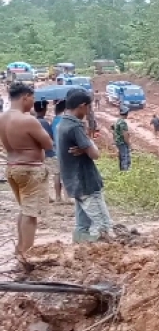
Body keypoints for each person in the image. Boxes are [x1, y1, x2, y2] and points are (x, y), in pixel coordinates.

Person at [0, 83, 53, 261]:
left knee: (24, 210)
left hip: (12, 167)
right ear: (25, 97)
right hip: (30, 169)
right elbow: (48, 144)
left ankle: (20, 248)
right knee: (31, 214)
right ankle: (26, 255)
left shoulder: (3, 118)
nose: (34, 102)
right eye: (33, 98)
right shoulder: (27, 120)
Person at [56, 89, 113, 243]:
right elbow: (95, 154)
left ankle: (79, 254)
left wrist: (85, 146)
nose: (89, 111)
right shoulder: (75, 127)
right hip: (86, 183)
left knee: (83, 227)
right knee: (104, 226)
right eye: (89, 107)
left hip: (74, 183)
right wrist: (89, 144)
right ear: (82, 106)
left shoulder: (63, 123)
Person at [33, 101, 61, 203]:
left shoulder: (33, 121)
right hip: (48, 152)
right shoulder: (44, 123)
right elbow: (50, 137)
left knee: (43, 175)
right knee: (57, 172)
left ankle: (46, 196)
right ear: (44, 109)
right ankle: (58, 196)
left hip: (38, 153)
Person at [112, 106, 131, 171]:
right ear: (126, 113)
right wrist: (128, 143)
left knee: (121, 157)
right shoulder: (123, 122)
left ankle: (121, 171)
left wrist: (114, 141)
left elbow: (113, 132)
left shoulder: (117, 121)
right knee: (125, 157)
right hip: (122, 142)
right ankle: (125, 173)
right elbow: (125, 134)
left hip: (118, 142)